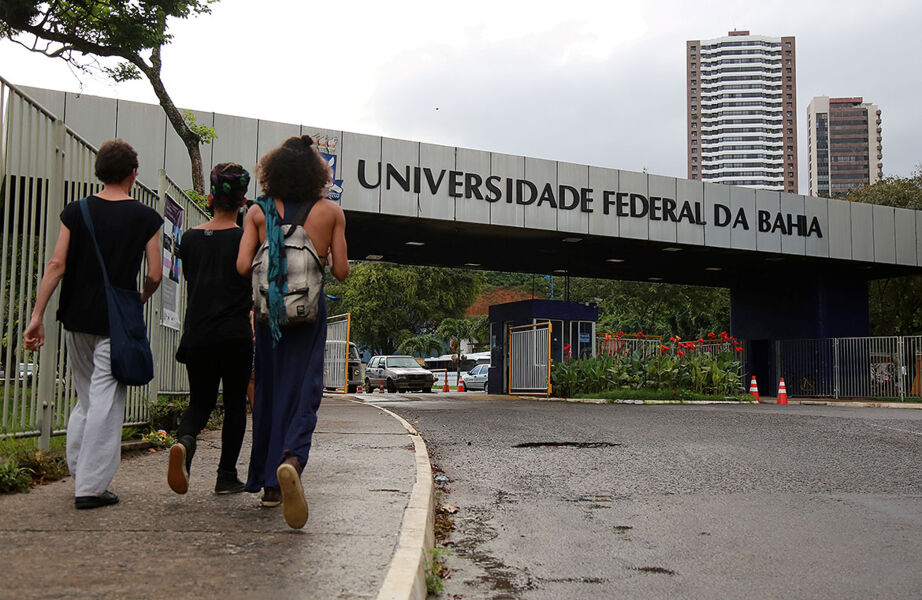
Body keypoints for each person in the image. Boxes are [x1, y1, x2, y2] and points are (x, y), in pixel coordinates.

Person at [23, 139, 162, 509]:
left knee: (86, 396)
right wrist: (135, 303)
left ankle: (79, 468)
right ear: (134, 173)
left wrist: (37, 315)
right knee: (105, 400)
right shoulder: (146, 217)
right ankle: (90, 486)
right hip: (114, 320)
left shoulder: (77, 210)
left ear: (99, 172)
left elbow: (56, 264)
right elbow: (154, 274)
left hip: (75, 316)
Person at [237, 135, 348, 529]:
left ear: (273, 171)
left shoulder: (257, 211)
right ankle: (292, 460)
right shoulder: (330, 211)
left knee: (268, 391)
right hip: (308, 316)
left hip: (268, 318)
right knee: (305, 389)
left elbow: (241, 266)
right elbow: (341, 272)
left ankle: (270, 486)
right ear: (316, 174)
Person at [167, 163, 253, 496]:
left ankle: (185, 444)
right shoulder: (246, 240)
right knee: (234, 405)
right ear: (243, 201)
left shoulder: (189, 239)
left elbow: (192, 280)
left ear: (209, 197)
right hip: (235, 334)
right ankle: (226, 476)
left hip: (199, 334)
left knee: (199, 403)